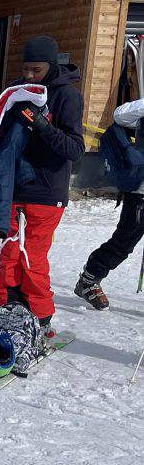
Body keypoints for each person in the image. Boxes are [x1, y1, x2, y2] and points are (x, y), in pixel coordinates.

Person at [0, 35, 84, 333]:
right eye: (26, 69)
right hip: (14, 188)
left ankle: (40, 317)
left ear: (51, 66)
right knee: (9, 255)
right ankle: (6, 309)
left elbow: (75, 149)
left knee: (31, 257)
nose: (29, 75)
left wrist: (42, 125)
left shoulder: (67, 96)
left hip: (46, 192)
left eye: (36, 70)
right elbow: (1, 133)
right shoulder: (18, 91)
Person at [75, 95, 144, 309]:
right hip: (141, 191)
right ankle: (89, 279)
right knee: (123, 242)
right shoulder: (138, 111)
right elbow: (120, 115)